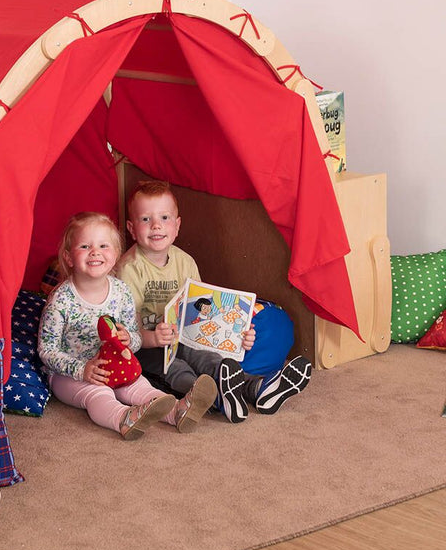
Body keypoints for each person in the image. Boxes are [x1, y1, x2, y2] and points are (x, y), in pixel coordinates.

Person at [115, 180, 311, 424]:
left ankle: (259, 389)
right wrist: (153, 338)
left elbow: (202, 311)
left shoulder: (185, 262)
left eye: (164, 218)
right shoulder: (129, 270)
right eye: (146, 219)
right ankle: (216, 398)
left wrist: (235, 334)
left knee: (211, 360)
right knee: (175, 370)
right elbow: (125, 333)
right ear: (132, 229)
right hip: (148, 349)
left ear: (177, 226)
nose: (156, 225)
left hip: (185, 337)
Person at [38, 211, 217, 440]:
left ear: (115, 255)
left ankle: (177, 412)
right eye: (84, 246)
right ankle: (125, 418)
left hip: (118, 365)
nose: (95, 252)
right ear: (69, 257)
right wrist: (82, 370)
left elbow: (136, 336)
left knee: (141, 387)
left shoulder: (121, 292)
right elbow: (47, 350)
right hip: (71, 375)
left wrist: (128, 339)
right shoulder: (61, 300)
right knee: (99, 393)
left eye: (104, 246)